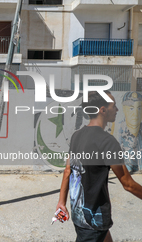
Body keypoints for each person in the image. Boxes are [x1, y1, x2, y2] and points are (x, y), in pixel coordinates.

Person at [56, 91, 142, 242]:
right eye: (113, 106)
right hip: (93, 219)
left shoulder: (77, 135)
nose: (116, 109)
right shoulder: (107, 142)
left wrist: (61, 202)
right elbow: (128, 184)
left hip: (79, 215)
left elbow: (68, 170)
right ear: (103, 110)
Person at [118, 92, 142, 172]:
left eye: (139, 108)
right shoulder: (118, 131)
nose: (135, 114)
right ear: (124, 109)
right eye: (131, 108)